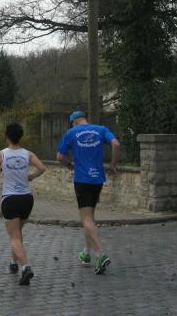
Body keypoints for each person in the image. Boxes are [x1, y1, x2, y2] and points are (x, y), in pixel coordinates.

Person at [56, 110, 120, 275]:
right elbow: (116, 144)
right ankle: (86, 252)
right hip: (97, 180)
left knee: (85, 218)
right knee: (89, 217)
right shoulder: (101, 129)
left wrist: (69, 164)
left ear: (74, 121)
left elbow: (60, 156)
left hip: (82, 179)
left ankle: (100, 253)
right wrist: (113, 165)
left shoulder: (71, 133)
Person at [0, 123, 46, 285]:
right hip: (26, 199)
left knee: (14, 236)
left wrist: (1, 169)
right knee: (18, 233)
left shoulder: (1, 155)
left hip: (10, 199)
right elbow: (42, 168)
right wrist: (31, 176)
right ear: (21, 136)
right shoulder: (28, 154)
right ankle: (13, 263)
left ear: (6, 136)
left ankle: (25, 267)